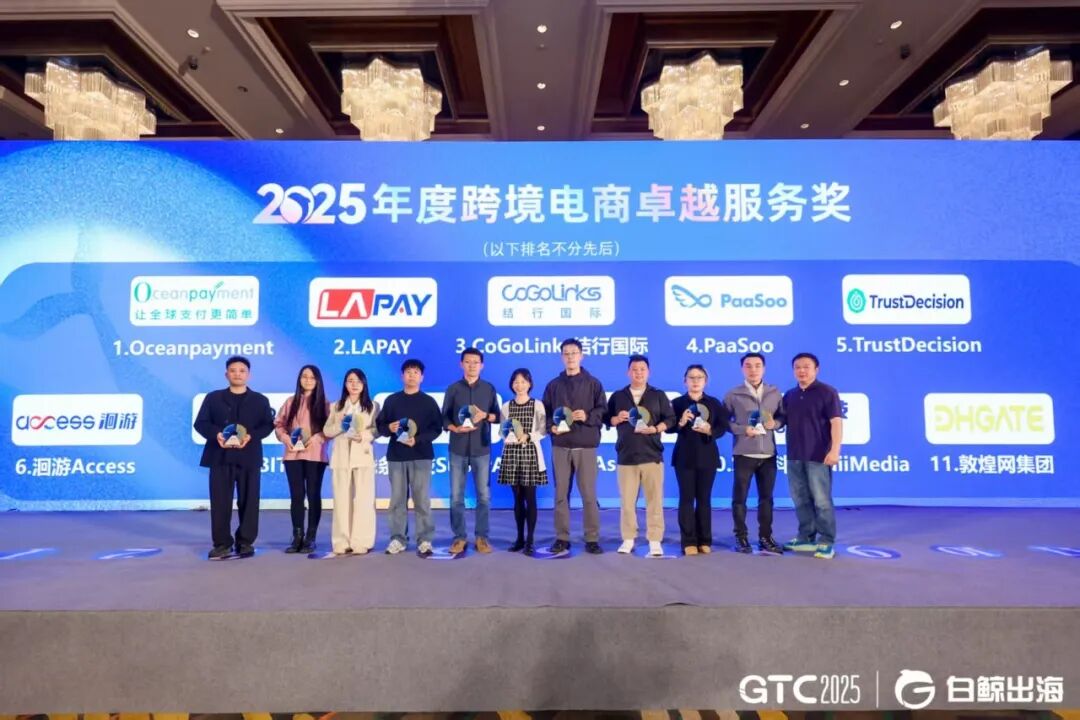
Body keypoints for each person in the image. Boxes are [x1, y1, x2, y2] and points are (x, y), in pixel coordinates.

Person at [193, 355, 274, 560]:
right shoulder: (213, 398)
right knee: (220, 502)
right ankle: (222, 544)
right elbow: (201, 423)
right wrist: (217, 434)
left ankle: (245, 542)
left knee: (250, 501)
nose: (237, 374)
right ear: (226, 374)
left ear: (249, 375)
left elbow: (267, 425)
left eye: (242, 371)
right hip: (220, 456)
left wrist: (250, 436)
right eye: (233, 370)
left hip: (249, 457)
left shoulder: (260, 400)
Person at [605, 354, 675, 557]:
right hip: (626, 456)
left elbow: (670, 419)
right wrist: (616, 418)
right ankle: (628, 538)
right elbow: (607, 419)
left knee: (654, 501)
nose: (638, 373)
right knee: (627, 502)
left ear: (648, 372)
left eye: (642, 369)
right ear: (628, 372)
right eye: (634, 369)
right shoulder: (618, 396)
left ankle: (655, 539)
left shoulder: (658, 395)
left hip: (652, 455)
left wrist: (655, 429)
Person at [542, 338, 607, 556]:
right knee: (561, 494)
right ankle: (562, 537)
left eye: (574, 353)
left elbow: (603, 411)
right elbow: (545, 414)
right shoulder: (553, 385)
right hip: (561, 446)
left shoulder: (594, 384)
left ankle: (592, 538)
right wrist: (552, 427)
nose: (570, 357)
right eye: (566, 353)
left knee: (589, 495)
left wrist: (587, 415)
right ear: (562, 357)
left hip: (585, 446)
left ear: (581, 355)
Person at [376, 358, 443, 557]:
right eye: (408, 372)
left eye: (415, 372)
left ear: (422, 377)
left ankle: (425, 540)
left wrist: (418, 440)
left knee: (422, 500)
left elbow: (437, 429)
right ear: (402, 376)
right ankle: (398, 539)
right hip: (397, 457)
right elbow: (381, 427)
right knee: (397, 500)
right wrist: (389, 428)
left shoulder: (428, 402)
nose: (411, 376)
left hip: (421, 455)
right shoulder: (392, 401)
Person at [723, 353, 786, 556]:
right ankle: (741, 537)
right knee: (739, 498)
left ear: (764, 368)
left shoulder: (774, 392)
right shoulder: (733, 394)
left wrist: (775, 424)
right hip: (744, 453)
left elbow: (782, 417)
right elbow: (724, 422)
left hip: (768, 454)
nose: (753, 369)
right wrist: (743, 430)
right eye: (748, 366)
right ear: (742, 369)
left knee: (766, 499)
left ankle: (765, 537)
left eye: (757, 365)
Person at [782, 352, 843, 560]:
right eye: (797, 367)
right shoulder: (790, 395)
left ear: (816, 369)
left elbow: (836, 422)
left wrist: (835, 450)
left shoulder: (827, 392)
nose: (802, 371)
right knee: (800, 499)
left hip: (819, 455)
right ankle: (806, 537)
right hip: (794, 455)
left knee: (821, 501)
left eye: (806, 367)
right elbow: (780, 421)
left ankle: (826, 541)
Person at [442, 347, 501, 555]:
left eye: (476, 362)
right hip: (457, 447)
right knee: (456, 496)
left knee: (483, 495)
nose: (472, 365)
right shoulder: (453, 389)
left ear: (481, 365)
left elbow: (497, 416)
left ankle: (482, 537)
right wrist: (454, 428)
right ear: (461, 364)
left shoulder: (488, 389)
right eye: (468, 362)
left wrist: (485, 415)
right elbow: (444, 417)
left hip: (481, 448)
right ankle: (459, 537)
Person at [668, 364, 726, 555]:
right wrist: (681, 422)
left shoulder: (714, 403)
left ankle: (704, 540)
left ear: (705, 381)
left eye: (699, 377)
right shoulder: (677, 403)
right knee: (686, 499)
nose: (695, 381)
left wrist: (710, 430)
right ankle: (688, 541)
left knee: (704, 499)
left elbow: (722, 427)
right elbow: (668, 428)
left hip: (707, 456)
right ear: (685, 381)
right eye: (691, 377)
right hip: (684, 457)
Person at [274, 364, 330, 554]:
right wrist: (285, 438)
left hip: (316, 455)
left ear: (318, 381)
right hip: (293, 455)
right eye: (304, 376)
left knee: (313, 495)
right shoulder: (291, 402)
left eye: (312, 377)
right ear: (299, 379)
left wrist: (317, 438)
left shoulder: (324, 404)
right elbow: (279, 425)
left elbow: (331, 429)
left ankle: (311, 537)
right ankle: (297, 535)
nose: (308, 380)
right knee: (296, 496)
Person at [323, 368, 380, 555]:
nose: (354, 385)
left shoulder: (372, 406)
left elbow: (376, 430)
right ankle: (341, 541)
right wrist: (341, 424)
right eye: (350, 381)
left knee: (364, 500)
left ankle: (361, 541)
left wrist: (363, 436)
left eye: (358, 381)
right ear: (345, 384)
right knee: (341, 501)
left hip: (362, 456)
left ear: (364, 384)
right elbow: (327, 431)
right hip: (341, 458)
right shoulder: (336, 406)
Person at [497, 368, 548, 556]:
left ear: (529, 384)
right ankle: (519, 538)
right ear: (512, 384)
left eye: (523, 382)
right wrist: (508, 436)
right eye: (516, 382)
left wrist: (528, 436)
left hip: (530, 454)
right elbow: (502, 431)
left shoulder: (537, 405)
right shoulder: (506, 406)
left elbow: (543, 430)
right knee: (517, 499)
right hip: (511, 455)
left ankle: (530, 540)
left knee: (530, 498)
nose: (519, 385)